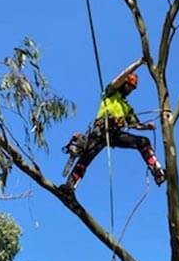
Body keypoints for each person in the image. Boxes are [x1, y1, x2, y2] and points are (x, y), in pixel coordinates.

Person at [61, 58, 166, 192]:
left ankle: (157, 172)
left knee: (143, 141)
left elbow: (135, 124)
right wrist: (138, 63)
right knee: (85, 159)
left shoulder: (127, 107)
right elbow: (121, 76)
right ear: (124, 83)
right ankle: (69, 187)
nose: (130, 90)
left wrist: (147, 127)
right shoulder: (110, 92)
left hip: (115, 135)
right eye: (129, 86)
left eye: (132, 89)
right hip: (100, 131)